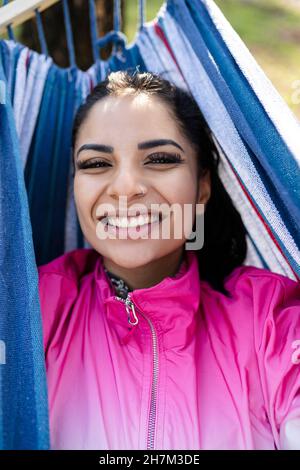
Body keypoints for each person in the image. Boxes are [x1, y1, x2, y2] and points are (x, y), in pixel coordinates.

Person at [37, 70, 300, 450]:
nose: (126, 187)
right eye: (96, 164)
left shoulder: (268, 319)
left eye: (159, 159)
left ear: (202, 187)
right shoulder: (31, 311)